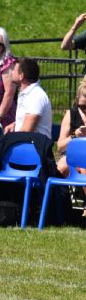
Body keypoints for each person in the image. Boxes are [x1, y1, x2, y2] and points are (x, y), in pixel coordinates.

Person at [56, 76, 86, 215]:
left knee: (83, 167)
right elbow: (60, 147)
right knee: (62, 166)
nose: (84, 110)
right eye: (81, 106)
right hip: (71, 156)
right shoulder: (71, 114)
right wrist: (74, 136)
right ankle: (59, 208)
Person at [5, 58, 52, 139]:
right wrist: (15, 124)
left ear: (21, 76)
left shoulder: (35, 96)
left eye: (14, 70)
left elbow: (27, 131)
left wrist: (9, 140)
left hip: (34, 145)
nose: (11, 72)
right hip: (26, 142)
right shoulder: (27, 94)